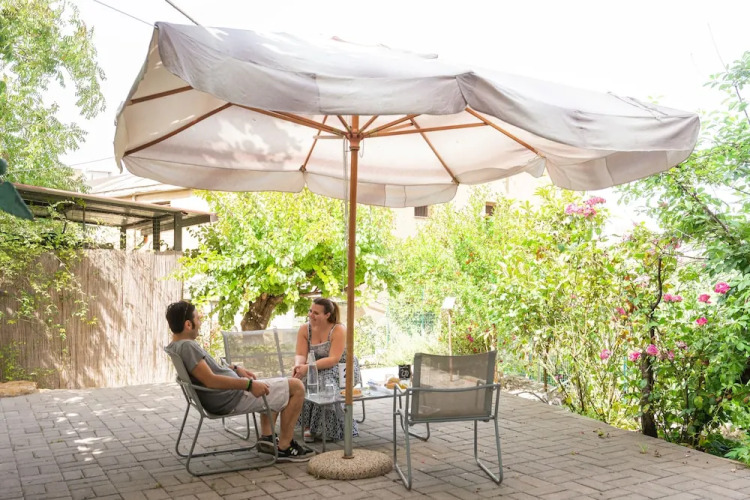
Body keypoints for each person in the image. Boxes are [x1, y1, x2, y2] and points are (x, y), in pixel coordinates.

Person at [164, 300, 313, 462]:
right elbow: (211, 380)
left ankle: (268, 438)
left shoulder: (177, 345)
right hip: (230, 398)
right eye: (197, 319)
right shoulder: (187, 347)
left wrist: (235, 369)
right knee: (296, 387)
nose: (200, 323)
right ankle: (285, 446)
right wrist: (248, 385)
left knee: (273, 384)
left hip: (227, 395)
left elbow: (210, 370)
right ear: (188, 324)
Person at [292, 298, 360, 443]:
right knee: (302, 381)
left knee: (323, 381)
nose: (311, 315)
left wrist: (308, 368)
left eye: (316, 313)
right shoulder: (305, 329)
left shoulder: (338, 329)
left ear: (327, 315)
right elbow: (300, 354)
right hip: (315, 365)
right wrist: (298, 366)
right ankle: (308, 426)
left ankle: (329, 428)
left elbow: (334, 359)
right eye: (310, 311)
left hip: (340, 367)